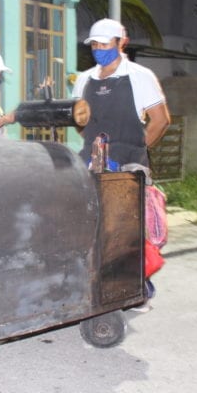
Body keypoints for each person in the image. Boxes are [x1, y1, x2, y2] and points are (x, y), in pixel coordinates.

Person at [72, 18, 171, 312]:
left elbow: (161, 120)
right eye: (95, 44)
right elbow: (79, 120)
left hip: (128, 165)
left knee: (125, 232)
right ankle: (99, 288)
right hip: (92, 162)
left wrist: (134, 152)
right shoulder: (84, 79)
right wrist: (96, 150)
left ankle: (137, 290)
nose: (99, 49)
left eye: (105, 44)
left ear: (121, 43)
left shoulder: (140, 76)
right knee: (93, 229)